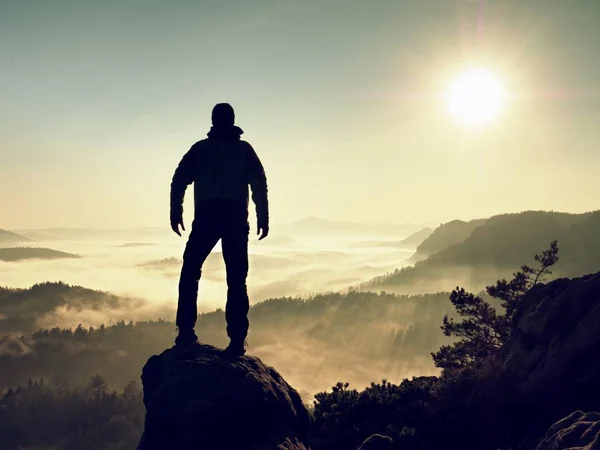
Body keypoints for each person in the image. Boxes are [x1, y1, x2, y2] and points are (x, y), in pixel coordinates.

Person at [170, 103, 269, 355]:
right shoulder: (244, 150)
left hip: (207, 215)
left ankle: (186, 332)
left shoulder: (200, 149)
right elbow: (259, 184)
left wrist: (176, 210)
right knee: (236, 279)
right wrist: (263, 216)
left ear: (213, 120)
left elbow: (179, 179)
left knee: (190, 270)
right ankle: (236, 340)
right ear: (232, 120)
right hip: (235, 217)